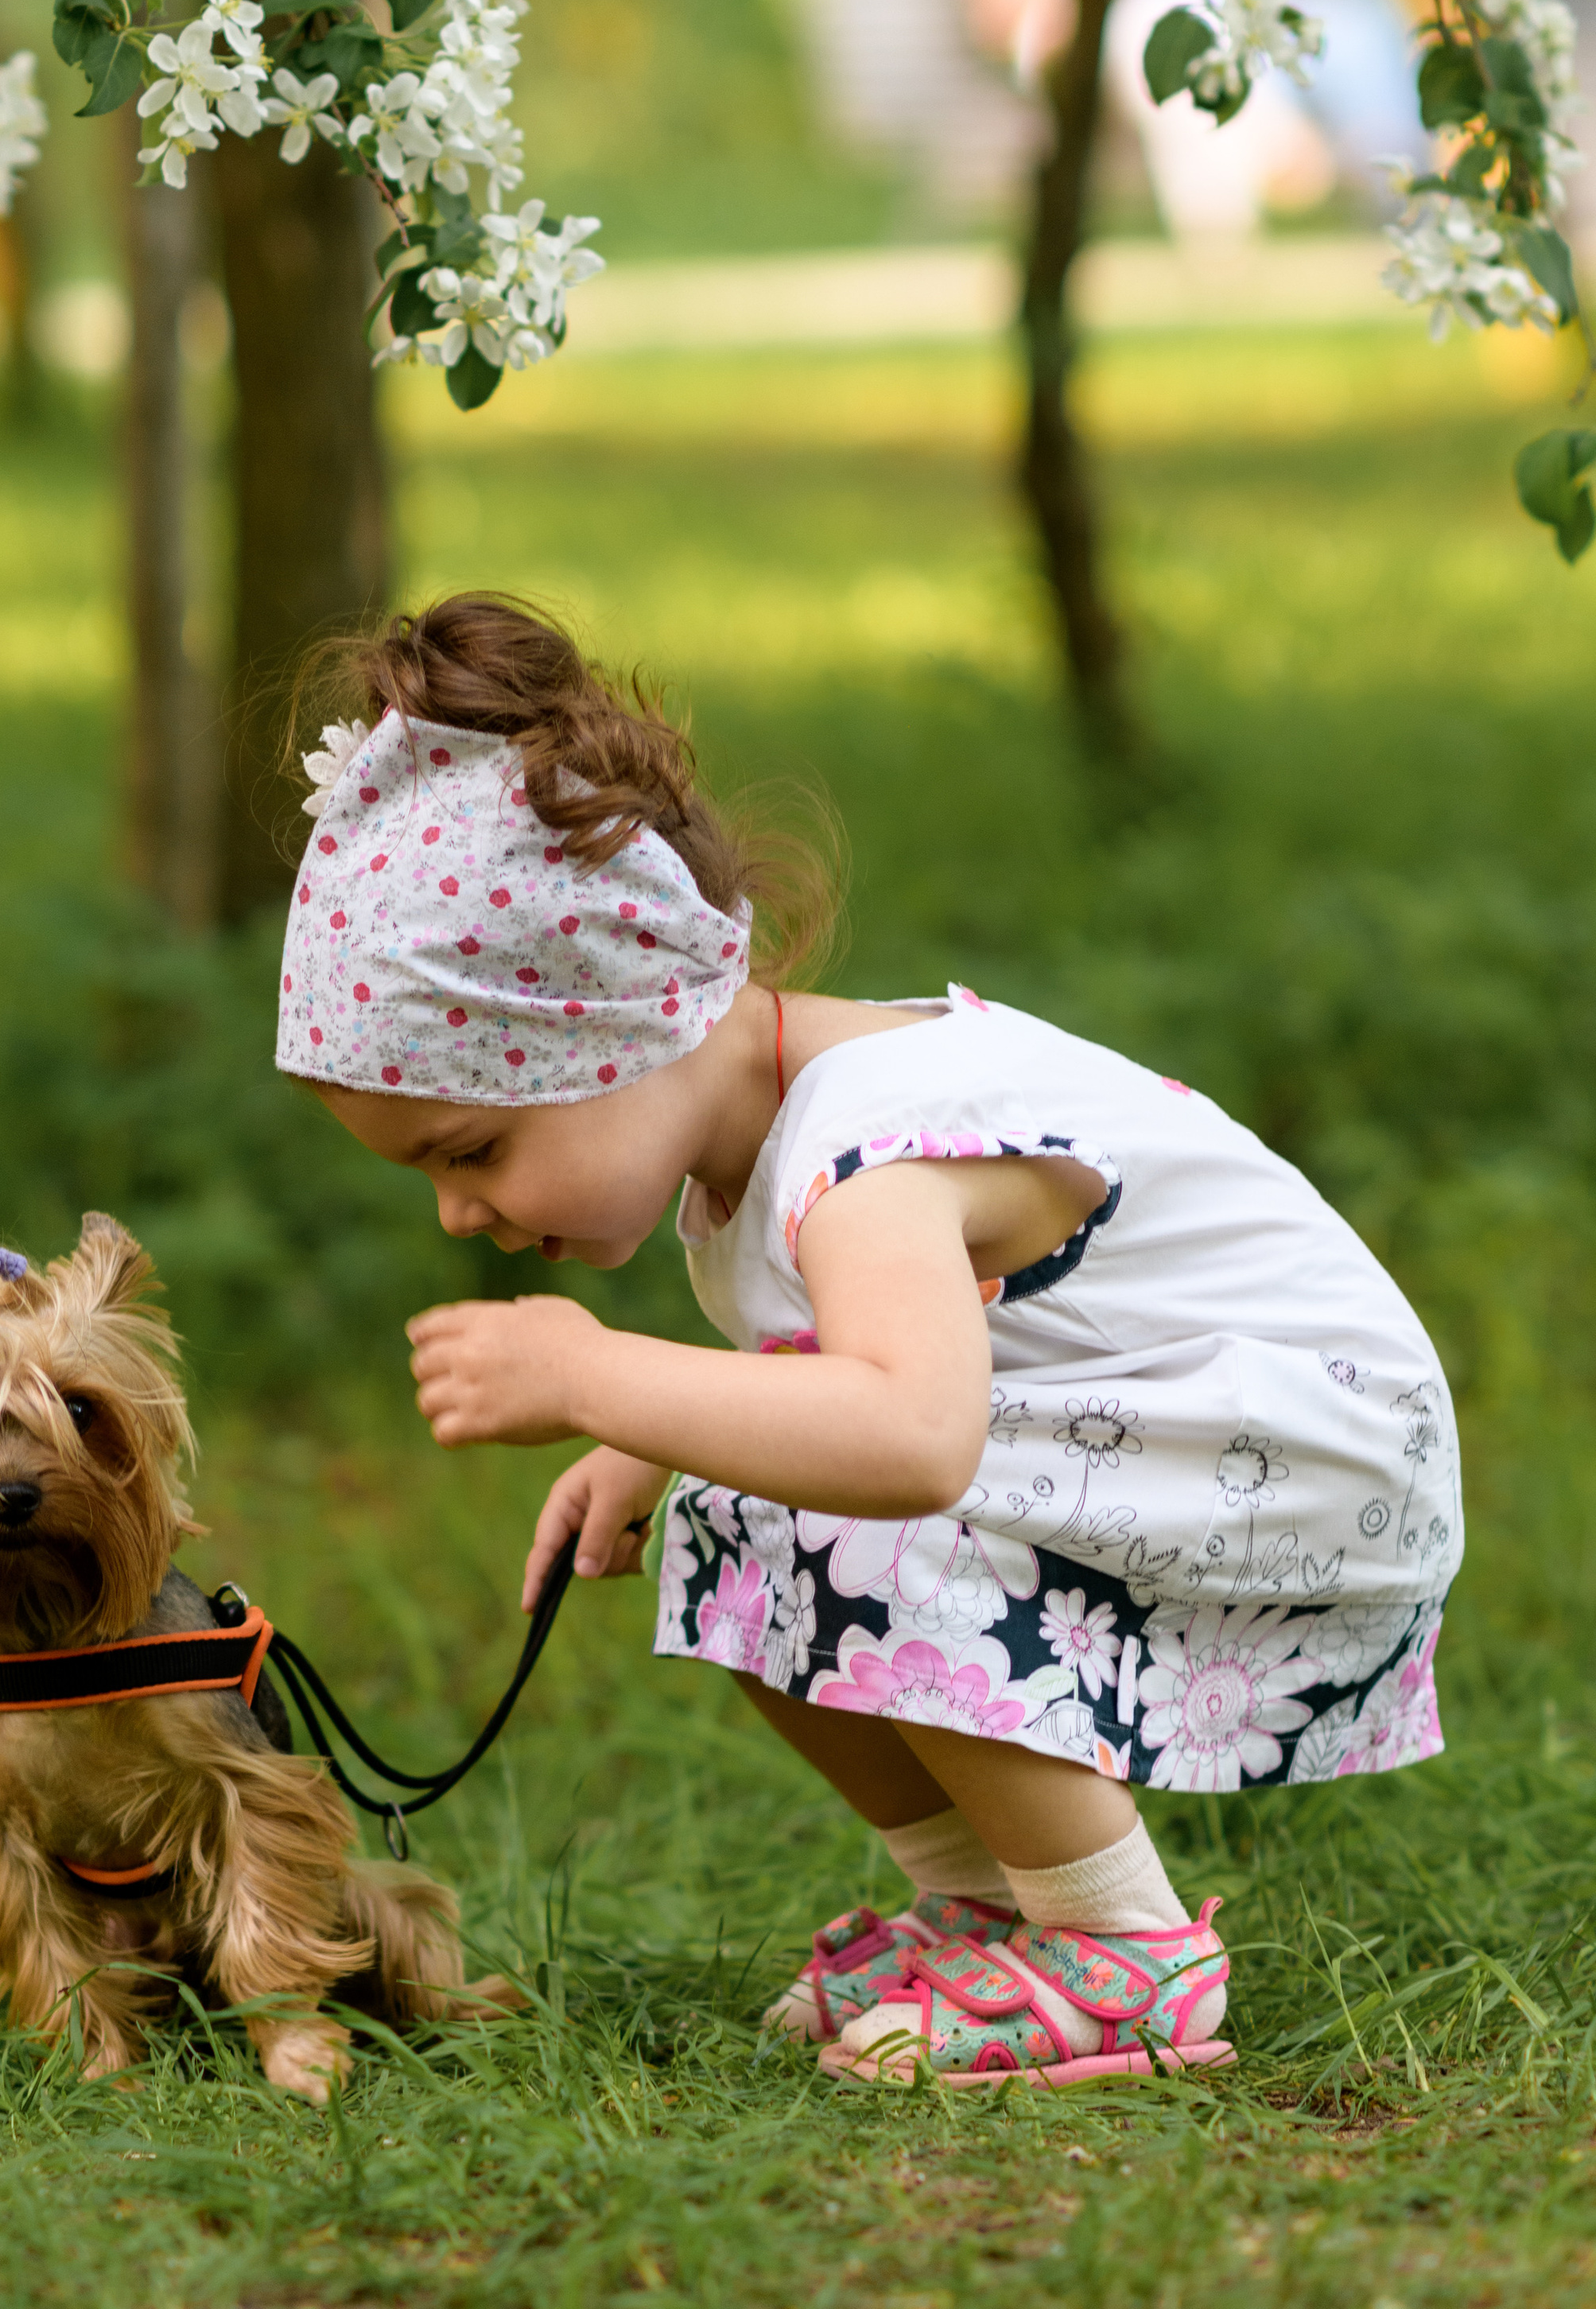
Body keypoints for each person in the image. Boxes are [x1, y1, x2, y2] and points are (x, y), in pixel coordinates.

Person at [275, 593, 1462, 2089]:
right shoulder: (771, 1142)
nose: (461, 1212)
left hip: (1314, 1460)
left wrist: (595, 1373)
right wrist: (646, 1445)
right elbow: (849, 1371)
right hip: (1209, 1441)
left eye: (478, 1147)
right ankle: (985, 1909)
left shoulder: (872, 1154)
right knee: (739, 1496)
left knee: (831, 1491)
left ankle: (1126, 1955)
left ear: (623, 1031)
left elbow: (910, 1436)